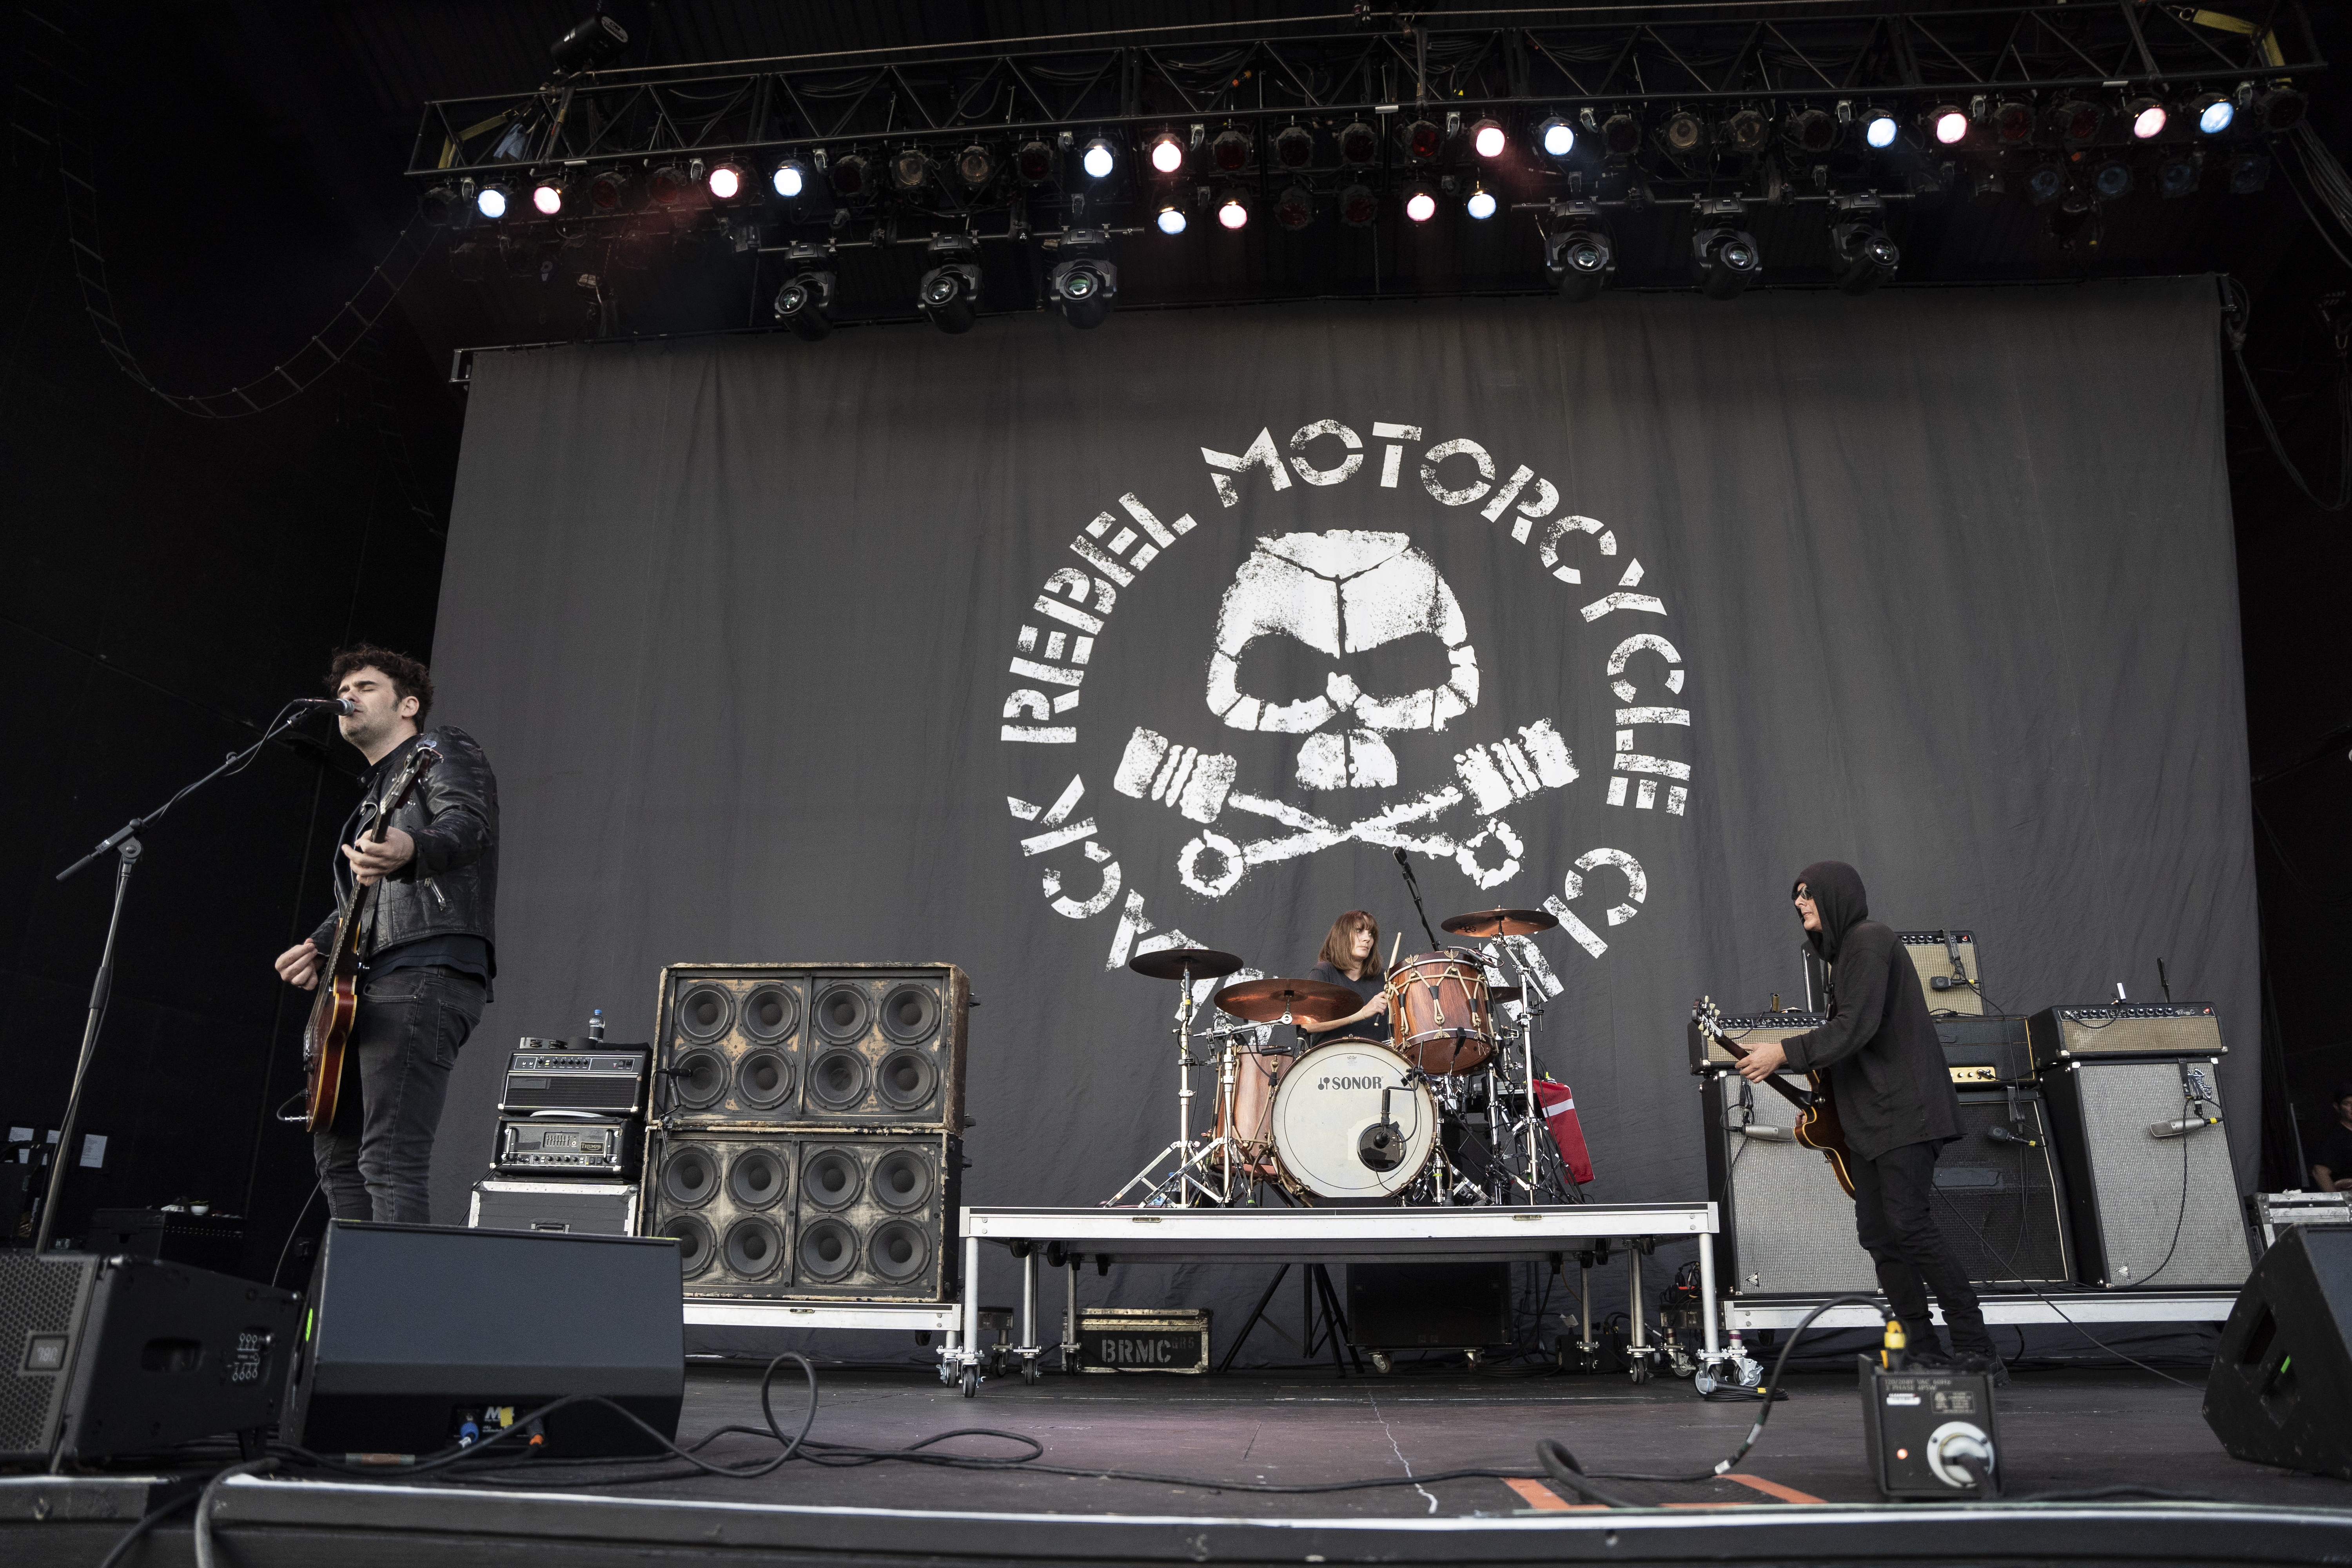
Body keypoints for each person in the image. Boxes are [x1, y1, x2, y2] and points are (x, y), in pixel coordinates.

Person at [1732, 861, 2004, 1380]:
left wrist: (1782, 1053)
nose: (1799, 903)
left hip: (1906, 1112)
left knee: (1910, 1224)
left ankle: (1977, 1347)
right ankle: (1923, 1349)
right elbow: (1848, 1040)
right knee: (1881, 1234)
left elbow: (1855, 1028)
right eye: (1795, 897)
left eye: (1807, 894)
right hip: (1871, 1121)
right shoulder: (1845, 959)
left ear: (1837, 895)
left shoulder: (1869, 940)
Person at [273, 647, 499, 1225]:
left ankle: (402, 1311)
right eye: (343, 686)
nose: (348, 695)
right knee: (337, 1158)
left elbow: (467, 825)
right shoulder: (374, 796)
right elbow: (363, 900)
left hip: (424, 970)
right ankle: (355, 1305)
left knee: (389, 1157)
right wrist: (320, 944)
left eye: (365, 686)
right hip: (365, 983)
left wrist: (413, 847)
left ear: (408, 705)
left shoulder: (441, 747)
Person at [1299, 910, 1391, 1044]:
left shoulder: (1384, 978)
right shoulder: (1325, 971)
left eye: (1371, 934)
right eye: (1360, 931)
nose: (1367, 939)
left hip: (1375, 1060)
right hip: (1330, 1059)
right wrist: (1362, 1013)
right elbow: (1308, 1025)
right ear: (1342, 936)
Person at [2310, 1083, 2352, 1194]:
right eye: (2347, 1104)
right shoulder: (2334, 1138)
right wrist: (2335, 1202)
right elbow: (2320, 1172)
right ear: (2337, 1107)